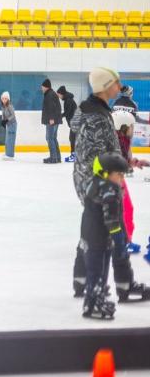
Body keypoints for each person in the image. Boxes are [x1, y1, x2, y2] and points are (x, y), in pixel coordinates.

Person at [71, 67, 150, 303]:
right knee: (114, 231)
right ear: (106, 86)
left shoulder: (95, 110)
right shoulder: (96, 116)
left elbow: (106, 150)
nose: (119, 86)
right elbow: (95, 155)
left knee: (95, 229)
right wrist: (114, 174)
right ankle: (122, 285)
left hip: (99, 177)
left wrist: (129, 162)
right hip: (101, 181)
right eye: (116, 82)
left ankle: (82, 280)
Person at [78, 153, 127, 320]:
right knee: (97, 271)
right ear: (106, 173)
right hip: (98, 237)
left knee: (97, 271)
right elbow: (112, 219)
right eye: (119, 174)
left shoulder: (95, 182)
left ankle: (95, 297)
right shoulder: (109, 190)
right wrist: (119, 240)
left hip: (90, 234)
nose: (122, 178)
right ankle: (91, 304)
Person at [112, 111, 138, 255]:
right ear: (122, 126)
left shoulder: (120, 140)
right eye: (130, 126)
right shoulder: (117, 142)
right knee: (125, 209)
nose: (133, 129)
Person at [112, 85, 138, 174]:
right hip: (127, 128)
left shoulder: (116, 102)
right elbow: (133, 119)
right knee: (128, 147)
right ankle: (129, 167)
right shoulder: (133, 104)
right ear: (130, 93)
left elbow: (113, 115)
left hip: (116, 128)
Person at [41, 79, 62, 164]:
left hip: (52, 120)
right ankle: (57, 157)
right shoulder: (51, 94)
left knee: (49, 138)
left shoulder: (49, 95)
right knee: (53, 138)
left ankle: (53, 158)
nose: (41, 88)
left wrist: (51, 118)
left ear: (46, 87)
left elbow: (51, 107)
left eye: (42, 87)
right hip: (55, 120)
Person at [57, 86, 77, 163]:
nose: (58, 96)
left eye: (59, 94)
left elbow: (67, 112)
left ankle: (74, 156)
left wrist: (59, 116)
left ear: (62, 94)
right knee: (72, 139)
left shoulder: (68, 100)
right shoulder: (69, 99)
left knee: (73, 139)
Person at [0, 92, 17, 160]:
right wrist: (3, 121)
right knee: (7, 140)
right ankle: (7, 153)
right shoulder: (3, 106)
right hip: (8, 125)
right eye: (3, 98)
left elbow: (13, 115)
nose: (4, 100)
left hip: (12, 124)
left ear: (8, 99)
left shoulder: (10, 106)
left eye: (5, 99)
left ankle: (10, 155)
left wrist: (7, 120)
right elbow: (3, 115)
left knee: (11, 140)